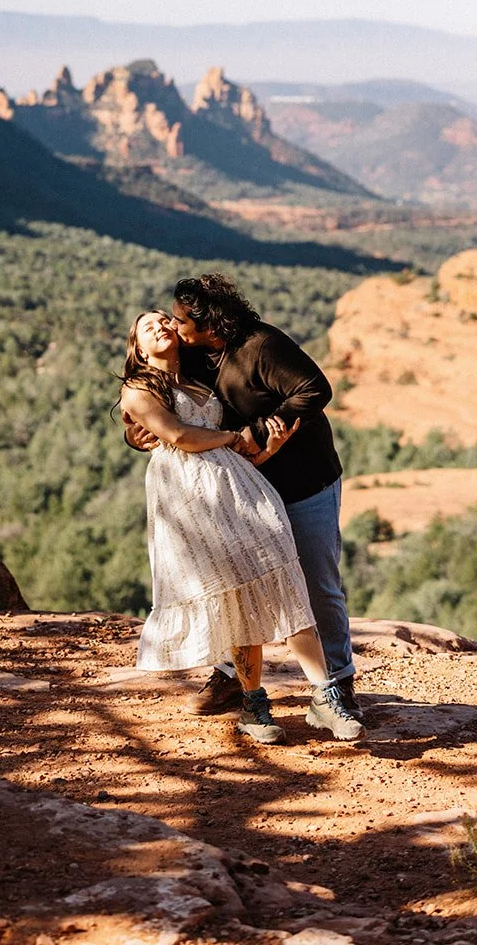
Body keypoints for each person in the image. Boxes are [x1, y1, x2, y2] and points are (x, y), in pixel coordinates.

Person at [124, 272, 363, 738]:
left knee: (315, 583)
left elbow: (316, 390)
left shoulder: (262, 346)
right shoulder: (185, 352)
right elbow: (159, 407)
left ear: (210, 324)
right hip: (235, 489)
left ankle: (336, 685)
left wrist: (261, 433)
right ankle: (236, 680)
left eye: (178, 319)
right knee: (232, 584)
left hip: (302, 482)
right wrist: (135, 433)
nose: (172, 325)